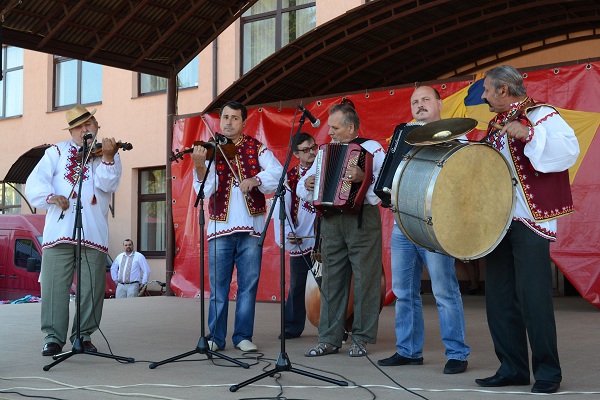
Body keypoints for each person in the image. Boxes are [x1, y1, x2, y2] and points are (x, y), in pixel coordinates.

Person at [475, 65, 579, 394]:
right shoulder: (494, 125)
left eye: (488, 90)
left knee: (534, 298)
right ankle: (512, 368)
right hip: (499, 220)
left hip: (530, 220)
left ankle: (548, 373)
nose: (484, 96)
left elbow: (567, 152)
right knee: (499, 299)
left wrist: (529, 134)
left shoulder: (542, 114)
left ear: (504, 90)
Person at [377, 86, 471, 374]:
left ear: (440, 104)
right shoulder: (403, 134)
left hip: (436, 225)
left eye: (425, 99)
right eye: (414, 102)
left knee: (444, 290)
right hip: (402, 222)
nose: (419, 105)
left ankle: (457, 353)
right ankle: (408, 351)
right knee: (403, 291)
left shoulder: (457, 136)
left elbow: (464, 180)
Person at [25, 105, 122, 356]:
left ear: (96, 124)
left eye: (88, 124)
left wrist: (109, 157)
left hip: (93, 232)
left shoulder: (107, 153)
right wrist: (51, 197)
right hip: (59, 232)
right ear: (70, 131)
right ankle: (53, 338)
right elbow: (35, 183)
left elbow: (107, 183)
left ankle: (83, 335)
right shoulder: (56, 152)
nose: (84, 130)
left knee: (91, 289)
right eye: (78, 126)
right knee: (54, 286)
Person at [191, 101, 283, 352]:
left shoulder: (256, 147)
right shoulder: (210, 151)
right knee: (218, 286)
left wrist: (256, 179)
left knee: (248, 285)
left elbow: (278, 171)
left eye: (234, 118)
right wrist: (200, 166)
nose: (228, 122)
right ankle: (216, 337)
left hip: (251, 230)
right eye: (225, 118)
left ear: (244, 122)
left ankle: (242, 335)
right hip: (220, 229)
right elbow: (204, 191)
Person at [297, 102, 385, 357]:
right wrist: (309, 183)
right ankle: (328, 338)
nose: (330, 132)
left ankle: (361, 337)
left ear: (350, 127)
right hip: (332, 221)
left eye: (335, 127)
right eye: (329, 127)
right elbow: (303, 187)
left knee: (366, 278)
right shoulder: (325, 152)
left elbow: (384, 185)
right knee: (332, 278)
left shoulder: (372, 148)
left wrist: (363, 177)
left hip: (362, 219)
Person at [272, 132, 318, 339]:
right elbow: (282, 208)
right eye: (306, 150)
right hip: (301, 239)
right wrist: (288, 233)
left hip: (323, 239)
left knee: (328, 284)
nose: (311, 153)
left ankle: (334, 328)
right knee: (298, 285)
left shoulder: (324, 170)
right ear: (296, 154)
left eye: (313, 148)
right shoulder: (289, 178)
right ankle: (292, 326)